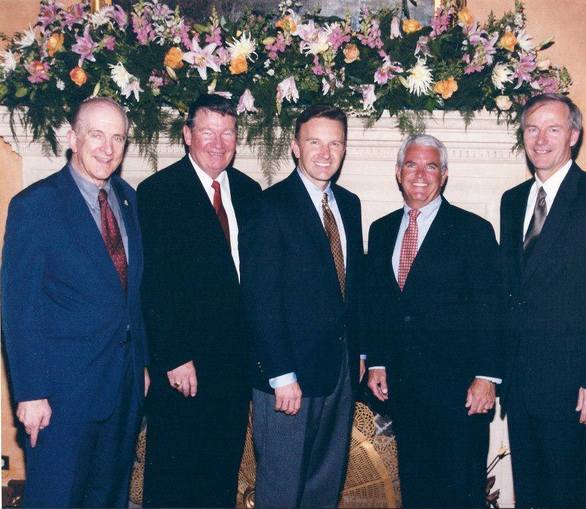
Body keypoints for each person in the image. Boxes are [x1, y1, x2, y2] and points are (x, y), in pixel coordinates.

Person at [1, 97, 149, 507]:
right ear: (73, 138)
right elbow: (19, 308)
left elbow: (131, 295)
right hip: (60, 398)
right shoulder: (35, 206)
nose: (107, 148)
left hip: (123, 391)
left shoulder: (128, 199)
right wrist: (30, 393)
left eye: (117, 138)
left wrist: (142, 364)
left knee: (110, 499)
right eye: (96, 135)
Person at [500, 93, 586, 507]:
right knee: (531, 498)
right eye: (532, 129)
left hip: (577, 393)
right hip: (522, 389)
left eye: (553, 129)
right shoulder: (512, 201)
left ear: (573, 136)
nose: (540, 139)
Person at [136, 94, 261, 507]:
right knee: (173, 482)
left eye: (227, 133)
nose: (218, 142)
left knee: (219, 481)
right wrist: (173, 356)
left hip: (234, 370)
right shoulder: (158, 192)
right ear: (187, 134)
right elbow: (154, 283)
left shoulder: (249, 192)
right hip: (183, 368)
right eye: (207, 131)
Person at [366, 134, 503, 508]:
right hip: (403, 390)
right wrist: (377, 361)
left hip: (460, 391)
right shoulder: (381, 230)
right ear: (398, 172)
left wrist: (487, 376)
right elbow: (377, 304)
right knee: (415, 488)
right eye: (411, 165)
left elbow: (492, 308)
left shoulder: (473, 230)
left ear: (444, 175)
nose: (420, 175)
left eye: (431, 166)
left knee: (460, 490)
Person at [242, 104, 364, 508]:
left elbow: (351, 290)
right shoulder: (269, 205)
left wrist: (360, 355)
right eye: (315, 142)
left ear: (344, 149)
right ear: (295, 147)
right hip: (288, 378)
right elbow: (260, 299)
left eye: (335, 144)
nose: (325, 153)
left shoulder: (349, 204)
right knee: (281, 489)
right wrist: (280, 375)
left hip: (339, 373)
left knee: (323, 487)